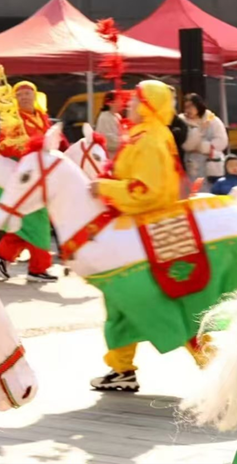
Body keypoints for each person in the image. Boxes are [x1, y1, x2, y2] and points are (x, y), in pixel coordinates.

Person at [88, 80, 183, 391]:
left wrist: (105, 187)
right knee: (119, 301)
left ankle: (213, 365)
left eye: (135, 100)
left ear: (148, 104)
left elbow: (147, 191)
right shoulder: (145, 135)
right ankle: (121, 368)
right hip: (133, 231)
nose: (128, 105)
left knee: (150, 305)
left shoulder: (150, 140)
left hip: (144, 232)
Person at [0, 81, 67, 282]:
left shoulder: (42, 118)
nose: (25, 97)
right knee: (39, 219)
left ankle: (2, 255)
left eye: (28, 93)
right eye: (20, 95)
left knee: (30, 219)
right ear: (15, 99)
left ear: (35, 96)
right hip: (26, 176)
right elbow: (2, 146)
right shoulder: (13, 120)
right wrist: (20, 148)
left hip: (43, 176)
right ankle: (37, 267)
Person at [180, 93, 228, 191]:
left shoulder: (212, 119)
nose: (188, 110)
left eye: (191, 106)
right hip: (191, 164)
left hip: (211, 164)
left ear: (198, 106)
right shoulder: (182, 121)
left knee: (212, 191)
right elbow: (186, 145)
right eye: (186, 107)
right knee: (194, 191)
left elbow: (222, 141)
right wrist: (200, 130)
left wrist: (204, 147)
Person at [95, 91, 123, 158]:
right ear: (110, 103)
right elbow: (108, 140)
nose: (121, 103)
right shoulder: (104, 117)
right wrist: (125, 142)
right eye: (118, 100)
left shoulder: (117, 116)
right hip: (110, 157)